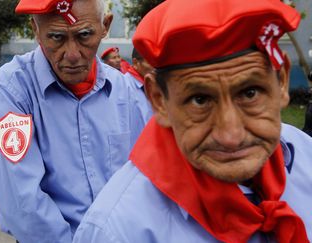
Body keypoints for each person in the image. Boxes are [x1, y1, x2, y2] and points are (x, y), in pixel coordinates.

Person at [73, 0, 312, 242]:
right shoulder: (119, 230)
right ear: (158, 100)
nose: (231, 135)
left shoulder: (306, 157)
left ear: (281, 82)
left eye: (250, 94)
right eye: (200, 100)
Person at [0, 0, 146, 242]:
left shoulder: (123, 91)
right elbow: (23, 204)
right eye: (56, 37)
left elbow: (139, 179)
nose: (72, 54)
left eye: (85, 35)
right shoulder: (11, 91)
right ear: (35, 30)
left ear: (106, 25)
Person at [124, 48, 154, 122]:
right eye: (151, 62)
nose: (156, 67)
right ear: (135, 63)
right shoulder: (124, 87)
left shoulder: (153, 83)